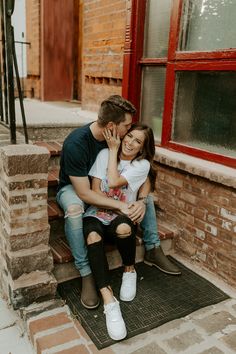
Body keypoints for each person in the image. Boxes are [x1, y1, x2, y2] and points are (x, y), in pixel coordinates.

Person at [56, 95, 180, 309]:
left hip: (107, 191)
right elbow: (85, 194)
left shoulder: (117, 140)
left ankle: (152, 248)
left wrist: (140, 200)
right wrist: (123, 205)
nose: (129, 132)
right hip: (76, 188)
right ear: (112, 126)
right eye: (127, 126)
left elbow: (145, 175)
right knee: (76, 209)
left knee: (144, 199)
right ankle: (86, 273)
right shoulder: (77, 143)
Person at [83, 123, 156, 340]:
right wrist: (111, 151)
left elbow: (113, 182)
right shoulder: (104, 154)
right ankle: (109, 300)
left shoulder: (141, 165)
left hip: (121, 216)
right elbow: (96, 191)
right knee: (93, 236)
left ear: (143, 148)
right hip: (97, 212)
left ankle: (129, 271)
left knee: (125, 228)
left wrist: (114, 149)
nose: (130, 142)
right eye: (129, 136)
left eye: (137, 141)